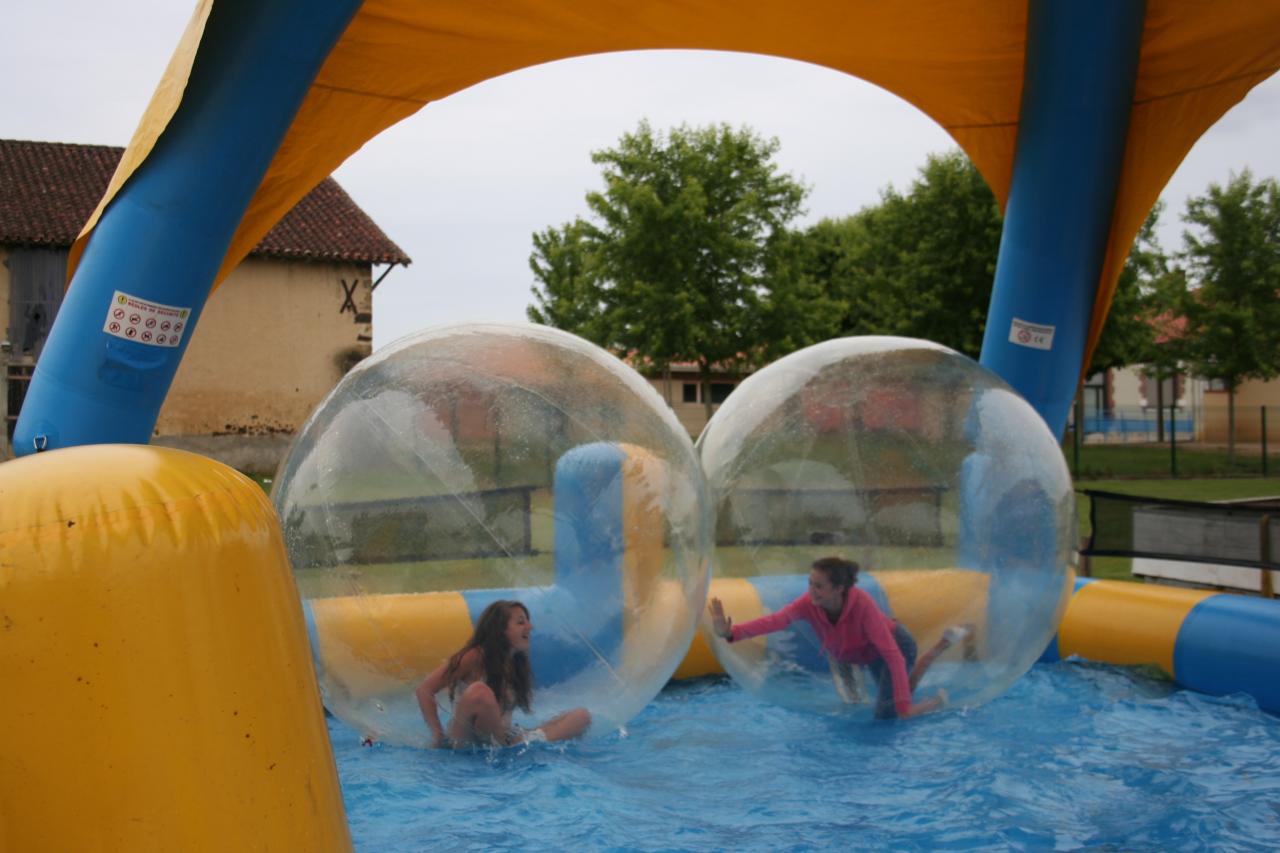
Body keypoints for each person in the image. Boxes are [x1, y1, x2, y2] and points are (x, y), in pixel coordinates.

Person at [707, 556, 970, 719]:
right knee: (884, 700)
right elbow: (774, 621)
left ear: (839, 589)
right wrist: (731, 632)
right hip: (855, 652)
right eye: (810, 583)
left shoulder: (862, 606)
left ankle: (938, 700)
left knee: (890, 714)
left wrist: (903, 708)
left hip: (893, 645)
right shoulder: (807, 604)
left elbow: (892, 655)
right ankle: (940, 647)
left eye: (819, 586)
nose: (812, 591)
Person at [415, 599, 592, 748]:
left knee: (581, 717)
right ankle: (512, 749)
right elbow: (425, 690)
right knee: (480, 692)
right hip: (466, 740)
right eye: (521, 622)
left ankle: (524, 746)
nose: (530, 627)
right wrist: (438, 734)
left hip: (503, 739)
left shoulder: (515, 662)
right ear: (500, 630)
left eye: (527, 621)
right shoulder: (475, 656)